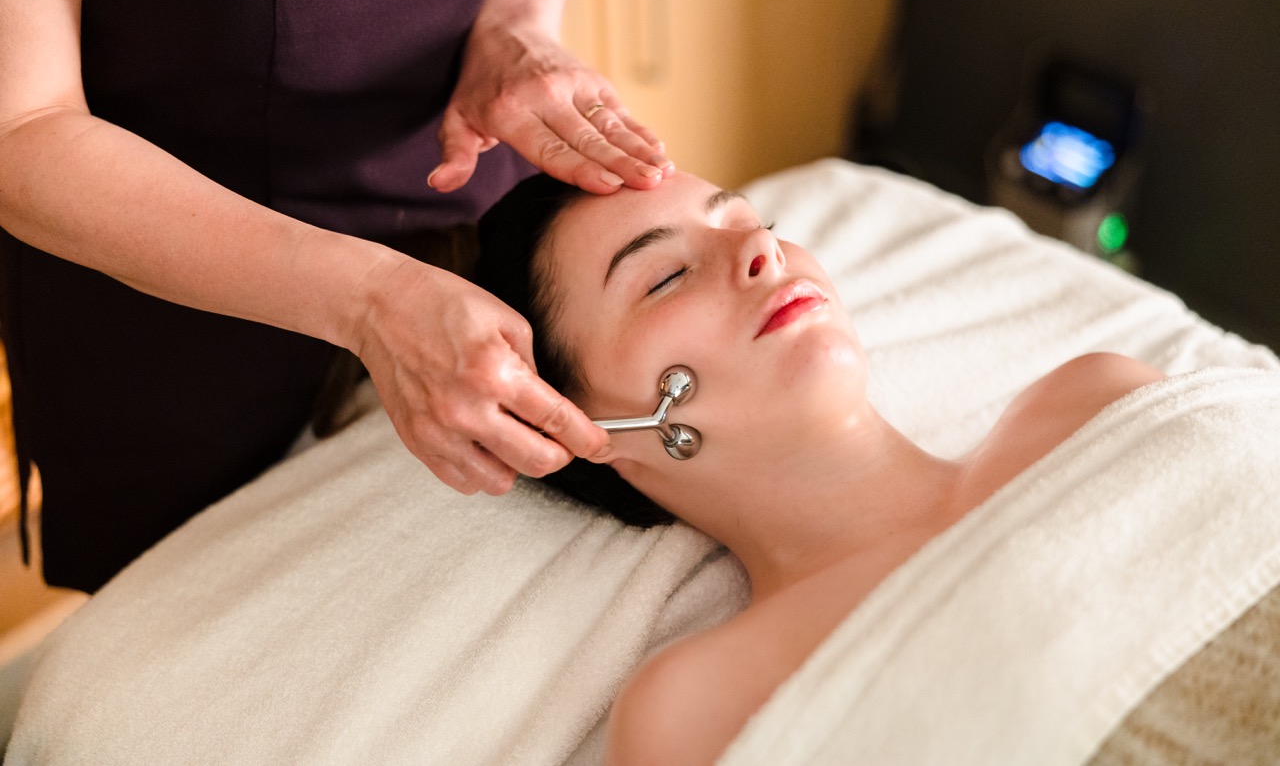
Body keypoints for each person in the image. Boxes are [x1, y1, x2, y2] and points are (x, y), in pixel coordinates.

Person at [0, 0, 674, 592]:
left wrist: (520, 9)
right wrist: (370, 299)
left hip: (478, 197)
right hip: (185, 292)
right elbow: (20, 128)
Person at [473, 170, 1170, 764]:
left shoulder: (1094, 407)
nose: (759, 247)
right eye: (666, 276)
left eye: (753, 221)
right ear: (587, 431)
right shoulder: (694, 710)